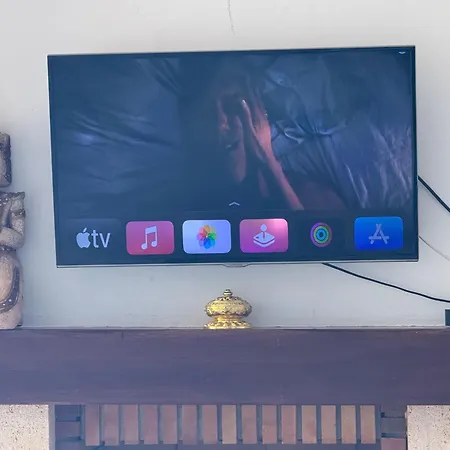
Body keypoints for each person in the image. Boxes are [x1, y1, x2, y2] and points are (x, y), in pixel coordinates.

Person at [179, 56, 345, 211]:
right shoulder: (196, 191)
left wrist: (265, 157)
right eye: (209, 114)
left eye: (230, 107)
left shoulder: (308, 191)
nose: (221, 123)